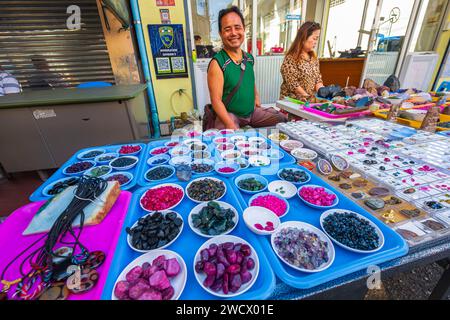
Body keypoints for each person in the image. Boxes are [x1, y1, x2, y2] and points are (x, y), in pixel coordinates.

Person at [207, 6, 287, 130]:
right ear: (221, 33)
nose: (233, 33)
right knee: (234, 141)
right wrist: (230, 124)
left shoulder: (249, 58)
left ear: (244, 29)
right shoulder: (217, 63)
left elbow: (249, 81)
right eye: (227, 29)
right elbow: (216, 100)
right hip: (230, 116)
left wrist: (257, 98)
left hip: (251, 113)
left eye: (237, 27)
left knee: (282, 120)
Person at [280, 21, 324, 100]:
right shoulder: (291, 58)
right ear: (304, 37)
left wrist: (324, 93)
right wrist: (309, 98)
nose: (316, 42)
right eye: (314, 38)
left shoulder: (314, 58)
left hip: (307, 102)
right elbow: (293, 84)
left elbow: (318, 79)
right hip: (292, 103)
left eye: (317, 39)